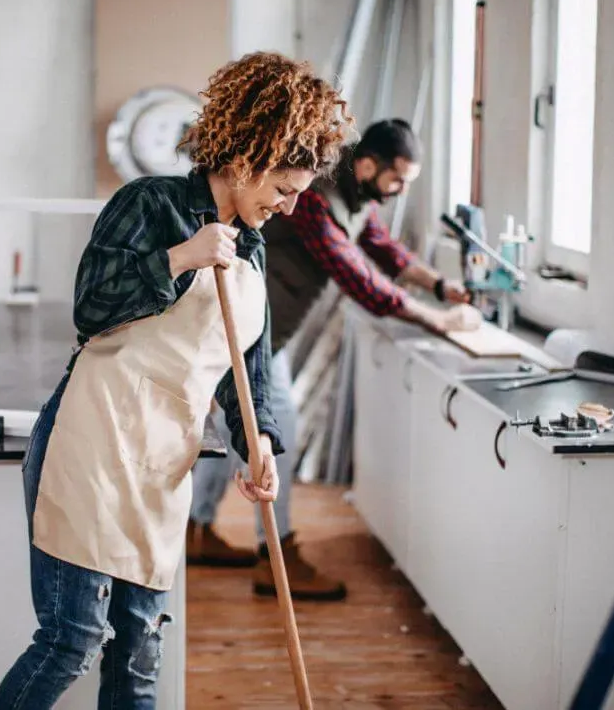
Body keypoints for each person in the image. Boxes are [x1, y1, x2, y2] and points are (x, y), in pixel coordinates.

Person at [0, 52, 354, 709]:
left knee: (139, 652)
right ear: (244, 161)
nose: (290, 205)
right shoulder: (149, 204)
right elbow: (92, 306)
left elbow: (249, 364)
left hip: (162, 463)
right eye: (283, 187)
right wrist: (181, 256)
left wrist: (259, 440)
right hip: (93, 443)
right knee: (71, 639)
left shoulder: (253, 246)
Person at [187, 118, 481, 601]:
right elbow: (356, 275)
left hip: (264, 334)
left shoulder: (355, 198)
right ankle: (275, 559)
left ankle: (197, 532)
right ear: (367, 165)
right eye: (397, 179)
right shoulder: (316, 198)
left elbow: (381, 248)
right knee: (277, 433)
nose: (400, 189)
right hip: (248, 331)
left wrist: (441, 287)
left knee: (237, 431)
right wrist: (439, 321)